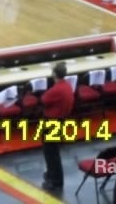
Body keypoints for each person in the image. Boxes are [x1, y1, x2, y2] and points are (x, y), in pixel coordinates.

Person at [40, 63, 74, 193]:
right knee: (52, 151)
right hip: (59, 120)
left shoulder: (56, 90)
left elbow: (44, 100)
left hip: (52, 122)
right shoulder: (67, 85)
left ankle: (56, 181)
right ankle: (51, 175)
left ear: (54, 74)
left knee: (51, 153)